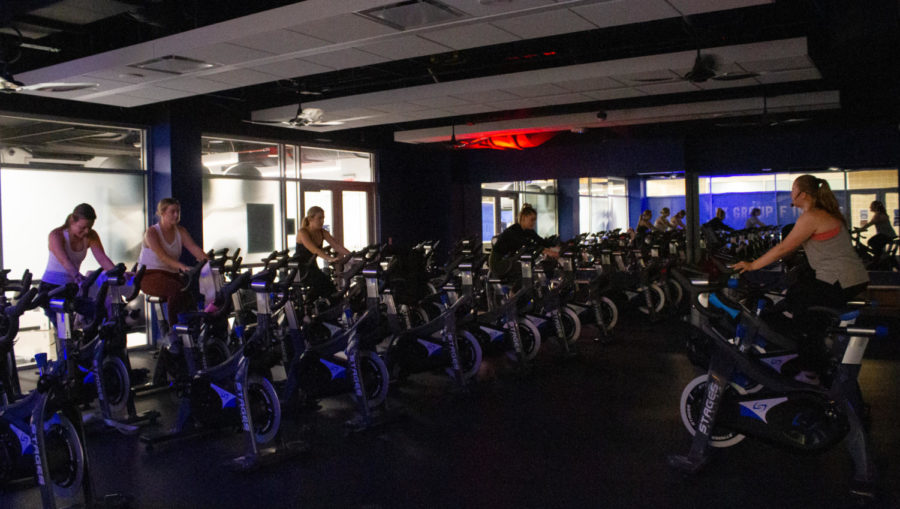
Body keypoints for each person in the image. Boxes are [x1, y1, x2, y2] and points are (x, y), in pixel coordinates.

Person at [733, 175, 868, 382]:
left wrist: (752, 265)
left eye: (793, 189)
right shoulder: (823, 214)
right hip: (849, 278)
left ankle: (811, 365)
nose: (791, 194)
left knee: (798, 305)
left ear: (802, 194)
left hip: (840, 279)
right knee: (801, 297)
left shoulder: (811, 216)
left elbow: (784, 247)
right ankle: (811, 359)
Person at [41, 203, 117, 322]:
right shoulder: (56, 235)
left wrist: (118, 273)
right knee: (65, 330)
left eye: (90, 227)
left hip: (71, 287)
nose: (86, 231)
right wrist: (77, 276)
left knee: (99, 312)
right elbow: (65, 261)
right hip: (51, 288)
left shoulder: (91, 235)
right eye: (82, 227)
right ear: (72, 221)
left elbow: (102, 258)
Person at [137, 198, 208, 325]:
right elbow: (162, 256)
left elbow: (194, 248)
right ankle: (174, 329)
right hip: (148, 276)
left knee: (189, 296)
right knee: (176, 290)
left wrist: (210, 262)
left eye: (178, 211)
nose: (176, 215)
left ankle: (193, 330)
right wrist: (182, 266)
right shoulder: (152, 232)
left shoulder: (180, 231)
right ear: (162, 213)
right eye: (172, 212)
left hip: (171, 275)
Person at [489, 203, 558, 278]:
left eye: (534, 220)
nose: (533, 223)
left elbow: (541, 242)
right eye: (532, 220)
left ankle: (521, 288)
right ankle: (515, 289)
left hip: (509, 260)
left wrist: (559, 247)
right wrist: (546, 251)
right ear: (524, 218)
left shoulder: (528, 231)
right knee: (526, 269)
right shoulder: (513, 231)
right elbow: (527, 243)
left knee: (528, 267)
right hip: (498, 263)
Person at [295, 206, 351, 300]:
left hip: (312, 266)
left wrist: (352, 255)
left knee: (326, 286)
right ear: (310, 219)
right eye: (319, 218)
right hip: (301, 268)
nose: (322, 221)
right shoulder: (303, 232)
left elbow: (336, 246)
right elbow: (314, 250)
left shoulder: (322, 232)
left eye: (323, 218)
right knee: (327, 287)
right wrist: (329, 258)